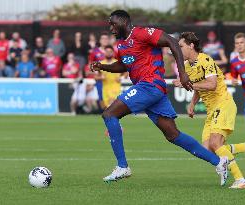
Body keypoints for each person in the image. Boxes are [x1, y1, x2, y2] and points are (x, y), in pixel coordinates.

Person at [90, 10, 229, 185]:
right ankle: (219, 162)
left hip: (150, 85)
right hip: (151, 90)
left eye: (113, 23)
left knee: (109, 115)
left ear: (124, 22)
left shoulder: (142, 33)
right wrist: (102, 66)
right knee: (173, 135)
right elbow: (123, 65)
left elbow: (172, 42)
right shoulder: (121, 45)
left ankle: (122, 166)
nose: (110, 28)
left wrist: (183, 74)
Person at [173, 32, 245, 189]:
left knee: (216, 143)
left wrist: (186, 84)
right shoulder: (188, 66)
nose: (178, 50)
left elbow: (211, 84)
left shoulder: (205, 59)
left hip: (223, 104)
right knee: (207, 150)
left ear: (191, 46)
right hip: (212, 110)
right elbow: (198, 86)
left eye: (180, 46)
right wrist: (193, 104)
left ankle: (241, 180)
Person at [89, 32, 110, 109]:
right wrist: (97, 72)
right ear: (100, 40)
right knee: (102, 98)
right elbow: (90, 65)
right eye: (103, 39)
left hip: (111, 79)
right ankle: (105, 113)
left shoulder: (113, 51)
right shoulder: (95, 52)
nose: (104, 40)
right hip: (101, 79)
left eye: (106, 39)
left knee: (113, 98)